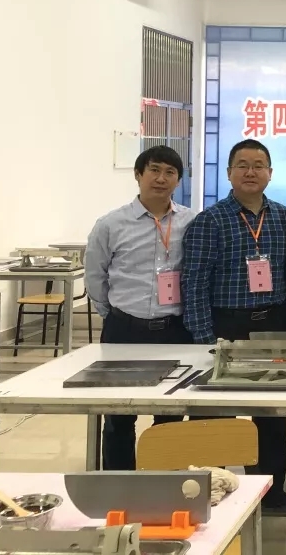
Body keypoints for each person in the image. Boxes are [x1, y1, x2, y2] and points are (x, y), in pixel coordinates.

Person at [181, 139, 286, 507]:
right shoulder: (210, 220)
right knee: (217, 415)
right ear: (229, 172)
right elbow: (194, 282)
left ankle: (270, 490)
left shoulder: (283, 217)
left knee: (272, 415)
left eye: (258, 165)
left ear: (270, 173)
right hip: (226, 326)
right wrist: (204, 338)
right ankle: (213, 491)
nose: (250, 171)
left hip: (272, 325)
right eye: (242, 165)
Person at [85, 145, 195, 471]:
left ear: (178, 180)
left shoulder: (191, 221)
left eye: (170, 172)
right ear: (138, 175)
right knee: (119, 414)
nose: (161, 178)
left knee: (170, 414)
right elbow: (95, 277)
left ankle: (165, 479)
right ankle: (120, 483)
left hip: (174, 331)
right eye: (154, 170)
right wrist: (113, 315)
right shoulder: (110, 224)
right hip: (124, 331)